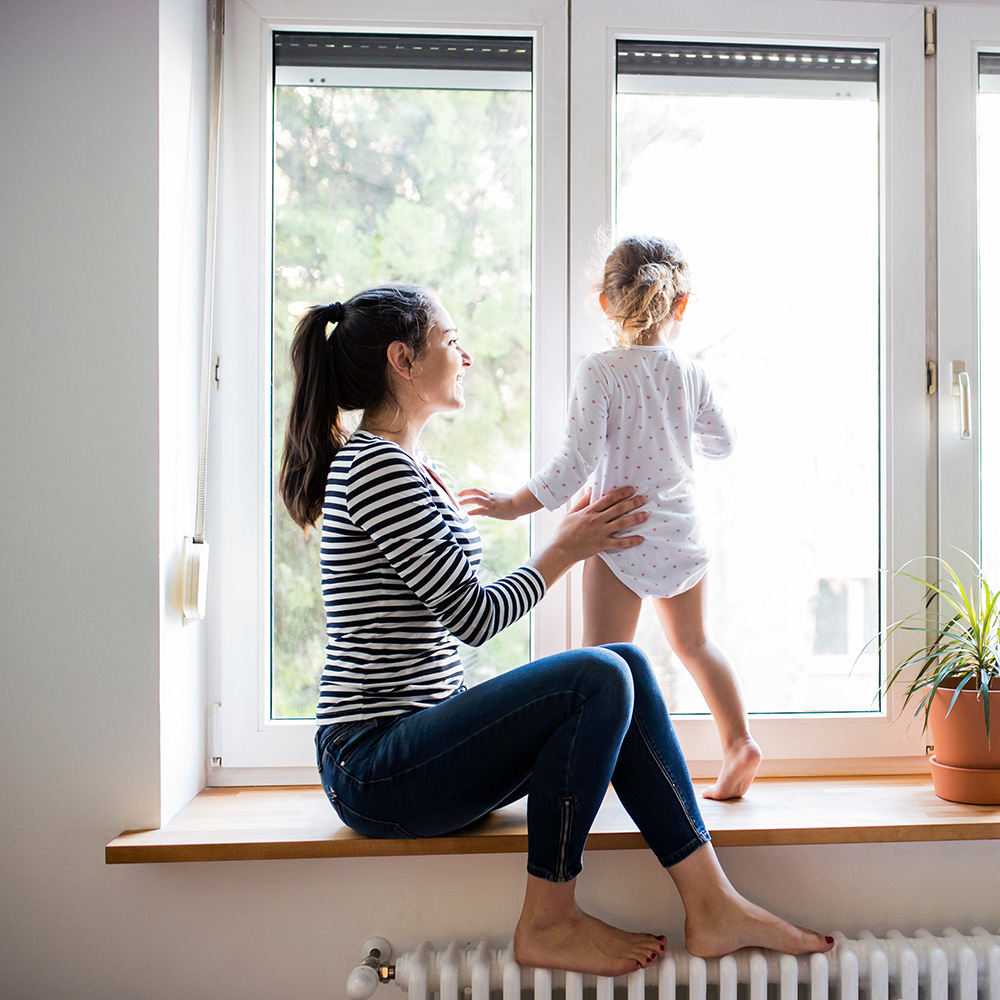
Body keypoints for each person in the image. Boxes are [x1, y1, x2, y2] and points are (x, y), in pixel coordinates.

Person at [279, 283, 833, 978]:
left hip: (415, 743)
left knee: (622, 662)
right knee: (599, 672)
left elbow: (452, 602)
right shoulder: (377, 469)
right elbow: (474, 616)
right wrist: (565, 549)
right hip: (372, 766)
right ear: (403, 360)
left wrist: (568, 537)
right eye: (451, 341)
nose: (467, 356)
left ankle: (711, 903)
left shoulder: (417, 468)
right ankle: (548, 918)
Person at [460, 236, 759, 801]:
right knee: (695, 644)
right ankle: (739, 741)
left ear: (605, 303)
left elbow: (572, 467)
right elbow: (723, 443)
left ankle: (600, 775)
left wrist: (509, 504)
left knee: (600, 665)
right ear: (681, 305)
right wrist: (677, 429)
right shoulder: (688, 373)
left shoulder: (598, 372)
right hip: (680, 531)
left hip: (617, 532)